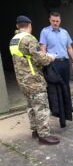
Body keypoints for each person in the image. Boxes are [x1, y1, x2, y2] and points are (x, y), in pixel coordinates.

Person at [9, 15, 60, 145]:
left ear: (17, 26)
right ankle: (44, 135)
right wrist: (51, 58)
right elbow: (40, 59)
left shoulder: (14, 40)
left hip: (22, 80)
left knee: (30, 106)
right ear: (30, 25)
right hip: (33, 80)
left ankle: (35, 131)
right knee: (41, 107)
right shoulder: (29, 39)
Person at [39, 11, 73, 113]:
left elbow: (69, 48)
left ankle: (68, 107)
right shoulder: (45, 32)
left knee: (66, 85)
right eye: (53, 21)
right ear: (50, 20)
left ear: (60, 21)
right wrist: (45, 63)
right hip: (53, 64)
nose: (55, 23)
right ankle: (56, 110)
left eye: (57, 21)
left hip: (64, 63)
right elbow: (43, 48)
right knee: (55, 87)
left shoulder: (64, 32)